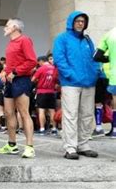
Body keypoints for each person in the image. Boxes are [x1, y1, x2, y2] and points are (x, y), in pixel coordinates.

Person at [53, 11, 99, 160]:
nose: (80, 23)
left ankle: (83, 144)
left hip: (89, 82)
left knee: (86, 114)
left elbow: (94, 58)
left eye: (83, 21)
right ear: (71, 22)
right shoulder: (62, 39)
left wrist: (97, 72)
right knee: (71, 115)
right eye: (77, 21)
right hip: (70, 83)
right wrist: (71, 75)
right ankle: (70, 147)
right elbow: (59, 59)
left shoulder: (87, 40)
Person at [0, 18, 37, 158]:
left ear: (14, 27)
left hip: (21, 80)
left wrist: (15, 72)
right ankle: (12, 145)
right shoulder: (11, 43)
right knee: (8, 112)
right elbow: (12, 62)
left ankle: (29, 146)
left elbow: (32, 61)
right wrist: (5, 71)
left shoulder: (24, 40)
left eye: (7, 26)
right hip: (10, 81)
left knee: (24, 112)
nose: (4, 28)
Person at [32, 55, 58, 136]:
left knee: (41, 111)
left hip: (42, 91)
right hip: (52, 92)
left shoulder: (41, 68)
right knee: (52, 111)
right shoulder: (54, 68)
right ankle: (54, 129)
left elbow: (33, 79)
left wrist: (38, 80)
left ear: (41, 61)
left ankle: (42, 129)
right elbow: (57, 80)